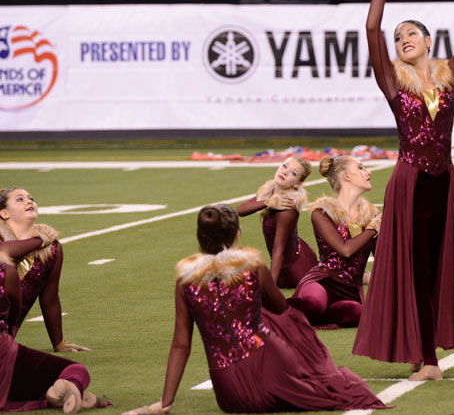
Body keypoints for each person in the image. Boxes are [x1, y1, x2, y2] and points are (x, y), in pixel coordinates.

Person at [122, 203, 385, 415]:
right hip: (272, 375)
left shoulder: (186, 282)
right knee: (288, 321)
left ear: (199, 239)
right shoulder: (253, 268)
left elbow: (181, 345)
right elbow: (283, 309)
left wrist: (165, 403)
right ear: (237, 235)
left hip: (230, 394)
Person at [352, 0, 454, 381]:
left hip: (443, 182)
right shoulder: (394, 83)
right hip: (410, 183)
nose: (403, 39)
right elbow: (371, 28)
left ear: (428, 42)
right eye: (399, 36)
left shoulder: (448, 78)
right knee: (418, 273)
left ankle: (422, 349)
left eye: (411, 34)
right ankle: (428, 360)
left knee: (438, 271)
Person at [0, 252, 102, 413]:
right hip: (4, 354)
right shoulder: (6, 272)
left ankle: (55, 392)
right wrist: (41, 239)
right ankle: (66, 387)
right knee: (75, 369)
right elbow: (13, 317)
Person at [287, 156, 379, 328]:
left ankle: (315, 319)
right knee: (314, 302)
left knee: (356, 314)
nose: (368, 172)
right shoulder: (322, 212)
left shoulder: (371, 215)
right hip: (323, 281)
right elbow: (345, 250)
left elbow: (382, 259)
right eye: (360, 168)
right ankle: (269, 310)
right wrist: (373, 229)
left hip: (350, 291)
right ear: (346, 176)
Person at [0, 187, 88, 352]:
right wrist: (39, 241)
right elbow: (3, 253)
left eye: (31, 198)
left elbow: (50, 298)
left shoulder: (52, 249)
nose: (29, 201)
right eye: (20, 199)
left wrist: (59, 342)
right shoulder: (37, 242)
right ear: (4, 213)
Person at [236, 157, 317, 289]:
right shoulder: (269, 192)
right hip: (289, 252)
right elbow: (240, 210)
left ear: (297, 183)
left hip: (293, 270)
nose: (285, 172)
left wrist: (270, 289)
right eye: (284, 166)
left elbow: (278, 249)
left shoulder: (287, 209)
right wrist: (268, 202)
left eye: (293, 173)